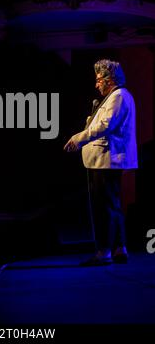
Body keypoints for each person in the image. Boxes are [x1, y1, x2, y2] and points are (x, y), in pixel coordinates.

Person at [64, 59, 138, 265]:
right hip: (106, 159)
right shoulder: (115, 97)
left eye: (99, 80)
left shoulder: (118, 96)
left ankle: (104, 251)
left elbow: (105, 125)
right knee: (111, 205)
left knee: (104, 207)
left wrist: (78, 138)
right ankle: (118, 248)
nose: (97, 84)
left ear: (110, 79)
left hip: (106, 159)